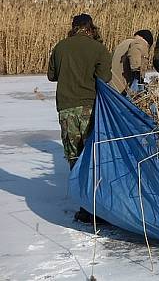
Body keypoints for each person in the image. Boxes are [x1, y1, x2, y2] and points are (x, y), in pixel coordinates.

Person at [47, 13, 112, 224]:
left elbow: (52, 76)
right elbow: (106, 77)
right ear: (91, 27)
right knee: (92, 155)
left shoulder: (60, 46)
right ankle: (98, 205)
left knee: (74, 157)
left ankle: (85, 207)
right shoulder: (98, 48)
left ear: (73, 27)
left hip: (66, 107)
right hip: (90, 107)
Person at [110, 29, 153, 94]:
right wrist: (137, 71)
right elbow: (135, 52)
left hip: (112, 86)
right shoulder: (140, 42)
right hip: (123, 89)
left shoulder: (123, 43)